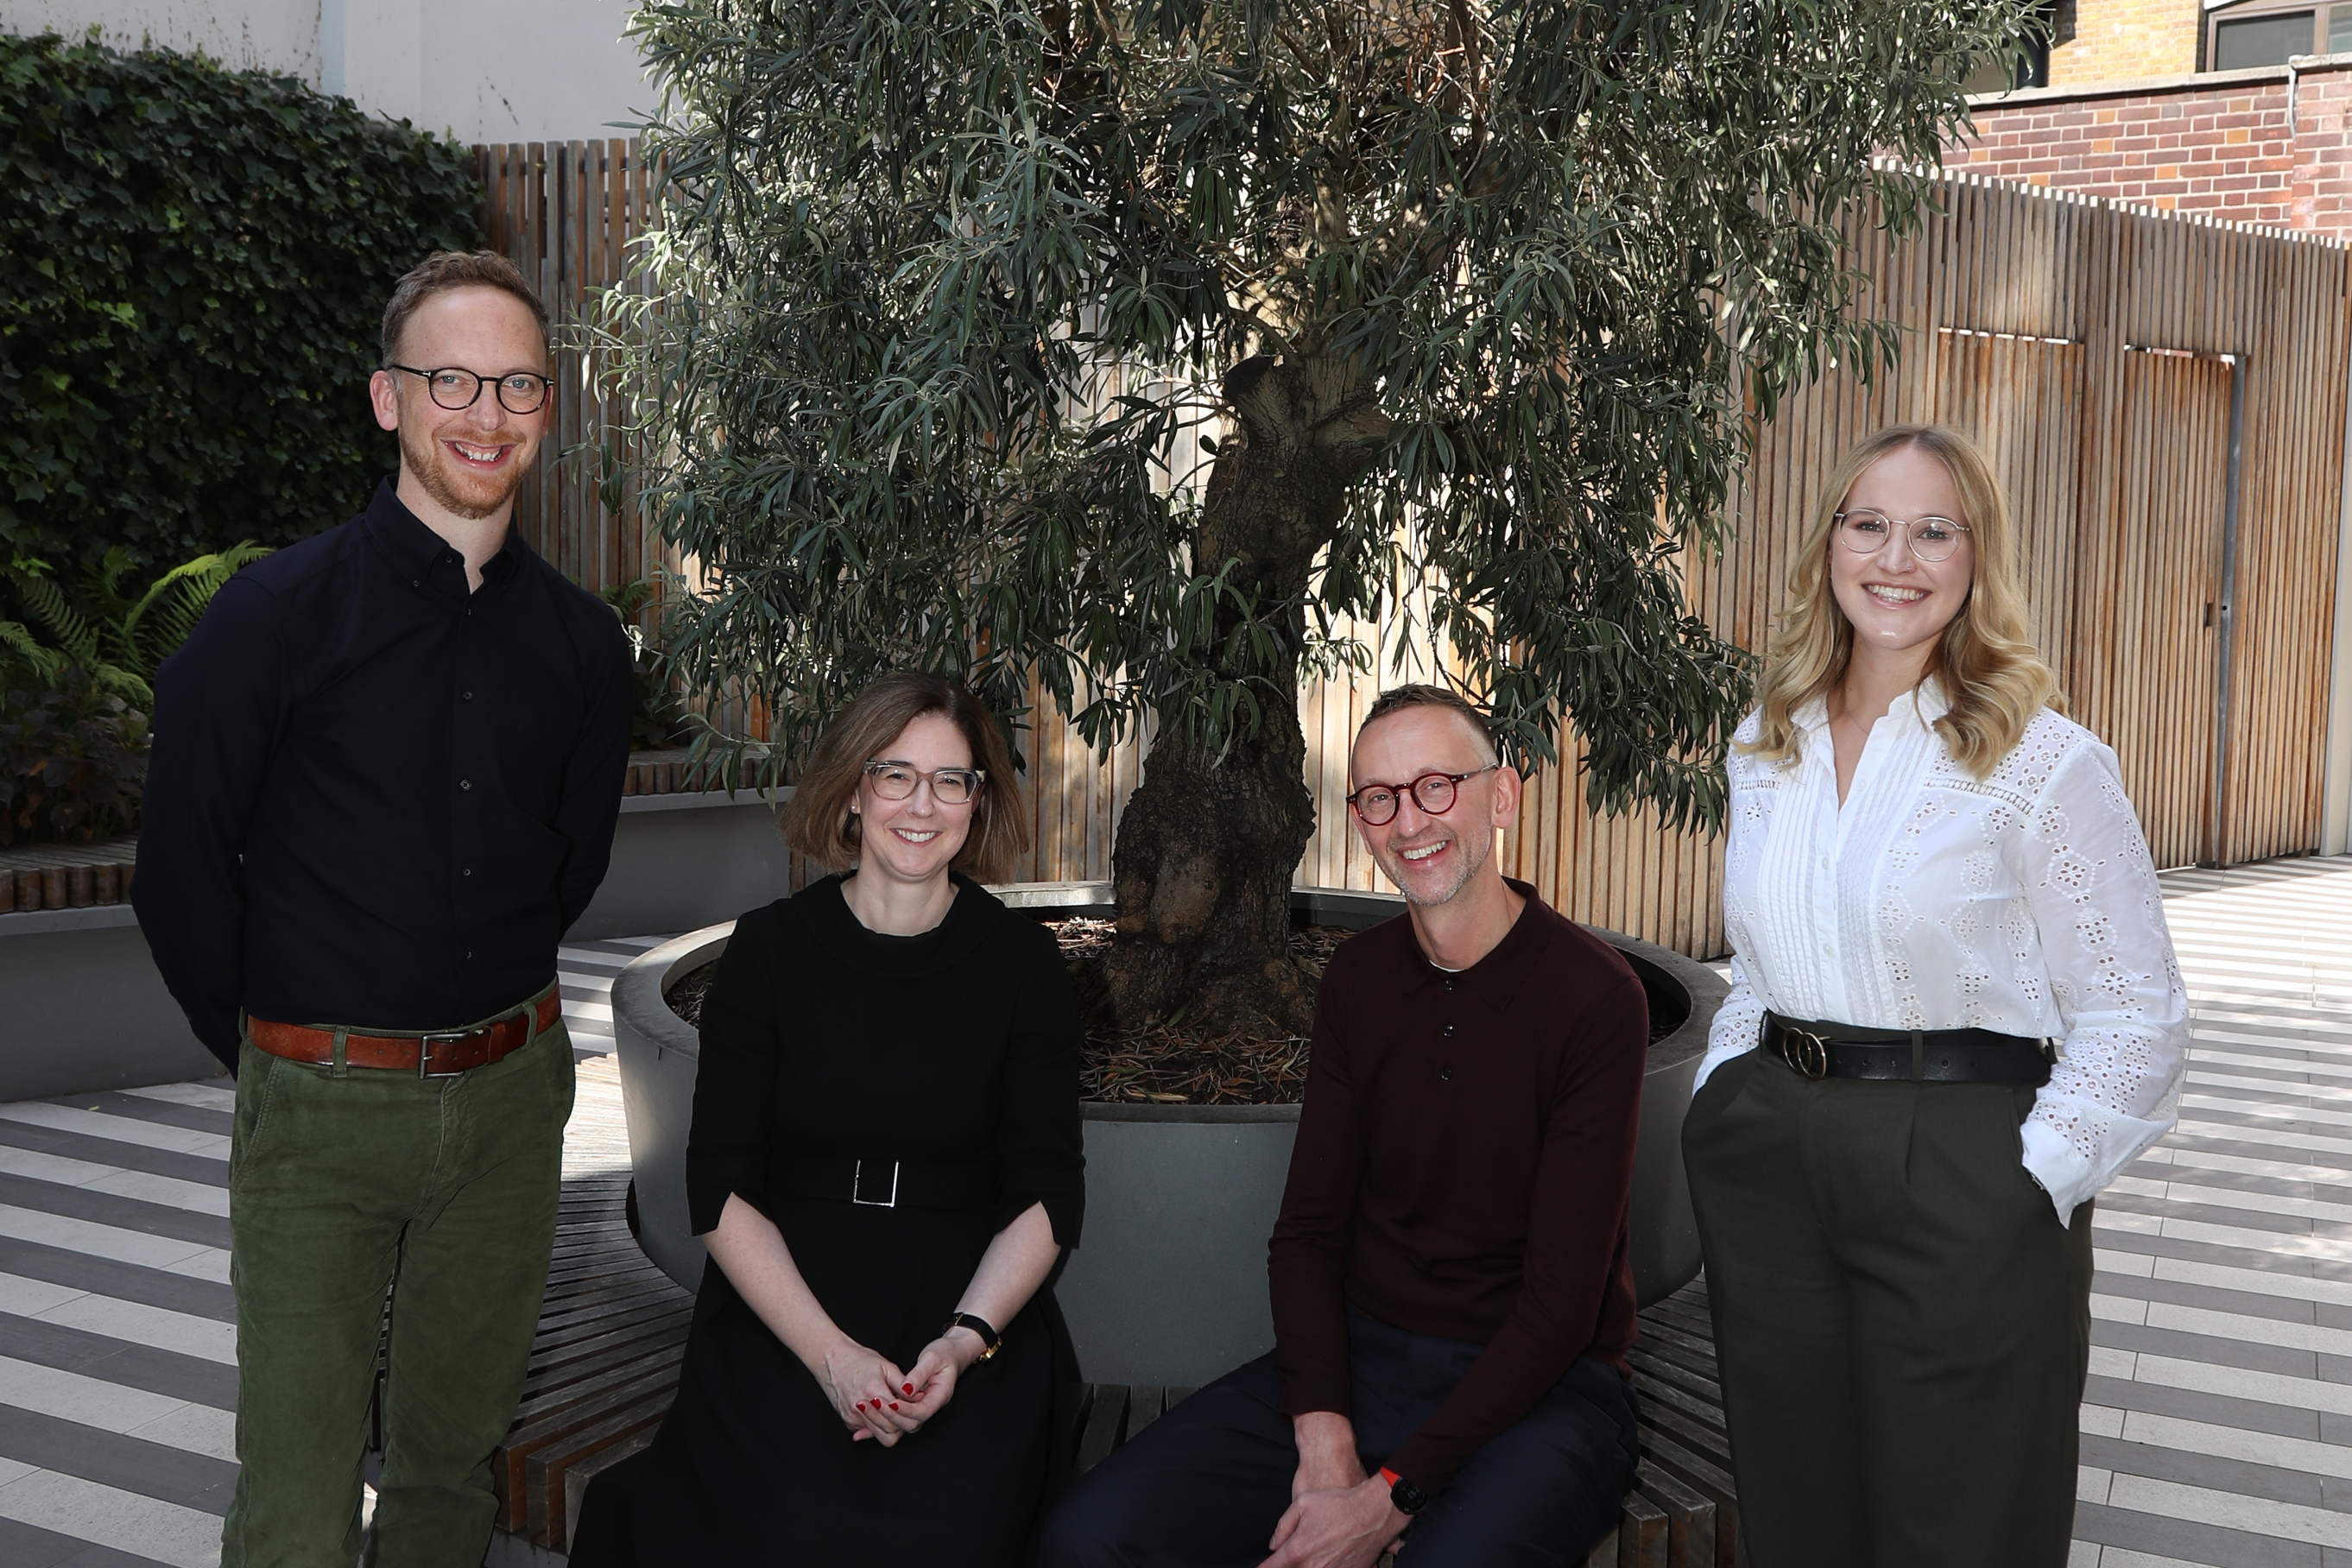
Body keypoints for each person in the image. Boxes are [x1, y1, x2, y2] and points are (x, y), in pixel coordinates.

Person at [133, 250, 635, 1565]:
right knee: (296, 1500)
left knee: (448, 1475)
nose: (485, 411)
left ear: (547, 405)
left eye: (517, 382)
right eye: (451, 378)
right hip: (318, 1110)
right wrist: (280, 1046)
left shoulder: (584, 648)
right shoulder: (270, 619)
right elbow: (180, 870)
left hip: (514, 1102)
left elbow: (568, 868)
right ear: (387, 400)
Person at [1680, 424, 2188, 1567]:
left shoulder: (2042, 760)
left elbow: (2134, 1010)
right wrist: (1725, 1100)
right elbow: (1760, 960)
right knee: (1799, 1509)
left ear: (1974, 558)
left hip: (1964, 1159)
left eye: (1933, 530)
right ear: (1828, 547)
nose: (1896, 558)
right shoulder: (1768, 741)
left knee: (1962, 1526)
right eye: (1870, 525)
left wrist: (2032, 1181)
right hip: (1771, 1155)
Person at [1042, 683, 1647, 1568]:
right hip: (1365, 1365)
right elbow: (1308, 1237)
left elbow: (1559, 1312)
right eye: (1380, 797)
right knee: (1088, 1539)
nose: (1411, 821)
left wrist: (1388, 1496)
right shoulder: (1360, 982)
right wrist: (1325, 1439)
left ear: (1504, 795)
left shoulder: (1595, 998)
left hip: (1545, 1394)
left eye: (1438, 784)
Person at [567, 672, 1087, 1566]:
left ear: (977, 801)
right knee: (775, 1527)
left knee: (947, 1535)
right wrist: (832, 1358)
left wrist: (964, 1346)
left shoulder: (1023, 965)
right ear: (854, 789)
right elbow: (719, 1185)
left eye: (950, 780)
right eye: (896, 775)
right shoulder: (768, 952)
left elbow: (1047, 1196)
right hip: (790, 1307)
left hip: (962, 1308)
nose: (921, 805)